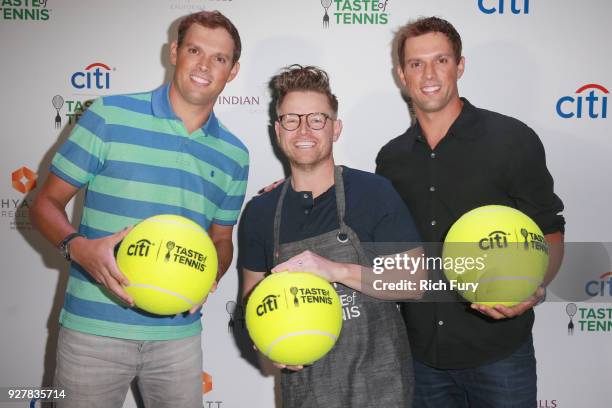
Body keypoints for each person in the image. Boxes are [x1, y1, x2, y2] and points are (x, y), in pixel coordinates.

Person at [30, 11, 248, 408]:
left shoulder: (235, 154)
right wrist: (78, 248)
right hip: (93, 332)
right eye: (195, 50)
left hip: (178, 338)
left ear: (232, 72)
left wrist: (211, 274)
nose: (204, 65)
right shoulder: (108, 116)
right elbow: (44, 204)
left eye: (219, 58)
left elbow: (221, 240)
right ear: (175, 52)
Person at [375, 17, 565, 408]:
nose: (428, 74)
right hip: (421, 357)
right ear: (401, 74)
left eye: (440, 60)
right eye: (416, 63)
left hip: (499, 354)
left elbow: (549, 231)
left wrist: (534, 287)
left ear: (459, 66)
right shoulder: (391, 159)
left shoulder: (512, 140)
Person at [240, 64, 425, 407]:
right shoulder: (260, 212)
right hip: (305, 394)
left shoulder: (373, 192)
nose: (303, 129)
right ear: (277, 131)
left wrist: (335, 270)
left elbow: (413, 282)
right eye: (291, 119)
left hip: (381, 389)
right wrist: (266, 344)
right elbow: (251, 304)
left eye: (317, 119)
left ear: (335, 128)